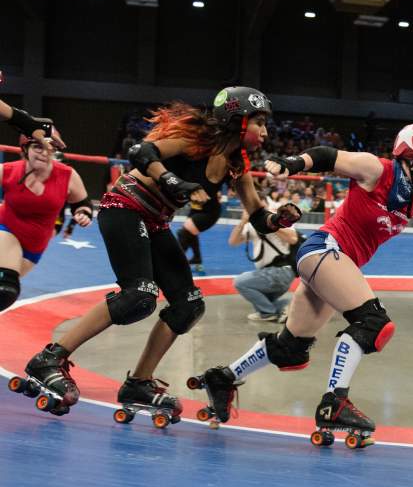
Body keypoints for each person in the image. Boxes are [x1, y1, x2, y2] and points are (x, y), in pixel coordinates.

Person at [191, 123, 413, 442]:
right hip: (325, 250)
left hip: (329, 263)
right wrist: (291, 164)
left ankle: (222, 379)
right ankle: (335, 402)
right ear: (410, 158)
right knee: (373, 323)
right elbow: (327, 156)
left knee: (291, 348)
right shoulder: (378, 169)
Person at [21, 87, 301, 416]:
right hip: (125, 207)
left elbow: (257, 215)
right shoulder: (198, 138)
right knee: (138, 296)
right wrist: (170, 180)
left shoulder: (237, 163)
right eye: (260, 123)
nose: (266, 132)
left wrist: (278, 219)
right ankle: (49, 358)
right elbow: (142, 153)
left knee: (188, 305)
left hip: (154, 221)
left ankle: (138, 382)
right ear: (237, 121)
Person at [0, 132, 93, 313]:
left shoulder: (67, 175)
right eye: (37, 147)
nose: (43, 153)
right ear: (25, 150)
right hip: (6, 228)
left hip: (35, 245)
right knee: (5, 288)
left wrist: (83, 214)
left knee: (6, 293)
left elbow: (82, 203)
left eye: (48, 149)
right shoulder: (8, 170)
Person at [229, 196, 299, 322]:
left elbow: (293, 239)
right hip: (270, 275)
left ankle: (267, 313)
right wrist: (243, 222)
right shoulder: (251, 225)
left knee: (240, 282)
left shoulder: (279, 219)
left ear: (265, 205)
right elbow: (233, 242)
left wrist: (271, 224)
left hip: (280, 271)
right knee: (264, 302)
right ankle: (288, 306)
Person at [176, 194, 221, 274]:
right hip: (196, 209)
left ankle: (179, 261)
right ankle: (196, 259)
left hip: (209, 211)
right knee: (190, 231)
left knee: (184, 232)